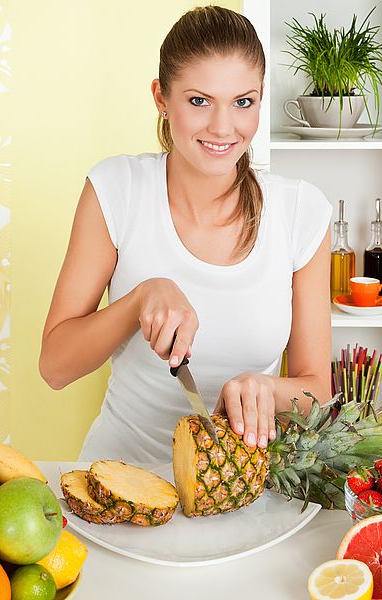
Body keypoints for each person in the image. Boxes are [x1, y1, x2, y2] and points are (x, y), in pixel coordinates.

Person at [39, 5, 332, 464]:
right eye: (199, 101)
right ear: (161, 96)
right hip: (121, 476)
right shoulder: (117, 189)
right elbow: (55, 368)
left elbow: (316, 391)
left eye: (243, 102)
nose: (223, 127)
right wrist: (138, 300)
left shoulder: (301, 211)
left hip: (246, 488)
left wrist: (268, 388)